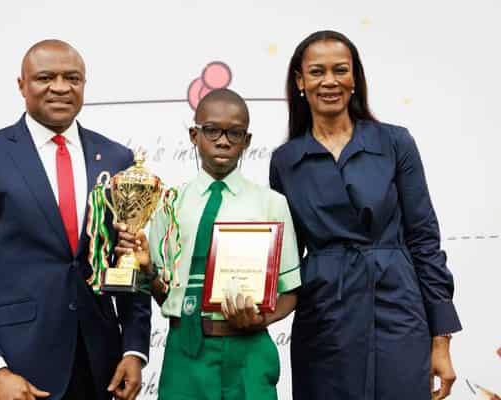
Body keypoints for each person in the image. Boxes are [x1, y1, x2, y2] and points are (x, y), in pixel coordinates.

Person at [0, 39, 150, 400]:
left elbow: (128, 260)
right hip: (14, 369)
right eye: (45, 77)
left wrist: (134, 349)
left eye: (73, 78)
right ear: (22, 85)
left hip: (99, 370)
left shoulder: (116, 158)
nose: (61, 87)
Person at [269, 30, 462, 400]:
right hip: (324, 316)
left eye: (340, 70)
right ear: (300, 81)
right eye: (317, 72)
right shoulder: (286, 161)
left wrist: (441, 340)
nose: (329, 81)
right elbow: (286, 256)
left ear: (354, 77)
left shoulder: (395, 142)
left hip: (398, 311)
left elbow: (424, 240)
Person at [115, 88, 301, 400]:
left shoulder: (271, 203)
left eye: (235, 133)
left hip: (250, 352)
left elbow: (290, 291)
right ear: (194, 135)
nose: (223, 141)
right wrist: (147, 270)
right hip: (185, 351)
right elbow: (163, 293)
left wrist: (260, 320)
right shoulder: (169, 203)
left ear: (247, 140)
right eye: (212, 130)